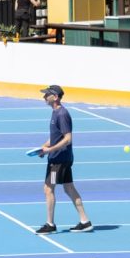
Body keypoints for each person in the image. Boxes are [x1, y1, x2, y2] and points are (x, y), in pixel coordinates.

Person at [35, 85, 93, 234]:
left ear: (55, 97)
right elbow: (56, 136)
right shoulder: (55, 113)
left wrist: (50, 150)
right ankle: (85, 221)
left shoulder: (62, 114)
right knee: (69, 188)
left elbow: (67, 138)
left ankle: (50, 224)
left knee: (48, 188)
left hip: (58, 160)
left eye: (47, 94)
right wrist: (43, 147)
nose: (44, 97)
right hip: (59, 157)